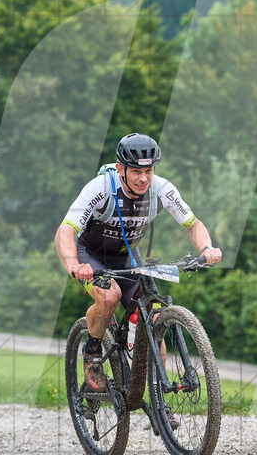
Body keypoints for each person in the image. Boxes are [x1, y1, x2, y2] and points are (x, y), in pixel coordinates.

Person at [54, 133, 223, 425]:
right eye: (136, 172)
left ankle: (156, 396)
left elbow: (192, 224)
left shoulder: (162, 189)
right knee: (109, 296)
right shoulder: (101, 188)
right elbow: (65, 231)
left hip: (125, 254)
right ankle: (93, 352)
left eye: (148, 170)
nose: (143, 178)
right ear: (121, 169)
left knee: (153, 314)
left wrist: (206, 248)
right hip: (89, 254)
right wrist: (74, 265)